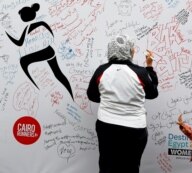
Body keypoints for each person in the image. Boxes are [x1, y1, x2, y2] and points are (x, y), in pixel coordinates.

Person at [87, 34, 158, 173]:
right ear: (129, 51)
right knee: (131, 167)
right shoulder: (141, 72)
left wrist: (111, 99)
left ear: (110, 50)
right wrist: (149, 67)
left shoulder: (101, 70)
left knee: (107, 166)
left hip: (107, 126)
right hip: (135, 129)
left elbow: (92, 96)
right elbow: (153, 94)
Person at [5, 3, 74, 100]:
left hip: (41, 53)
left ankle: (37, 87)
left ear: (24, 17)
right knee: (58, 73)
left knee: (23, 61)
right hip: (50, 51)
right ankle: (71, 94)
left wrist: (7, 33)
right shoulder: (42, 23)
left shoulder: (27, 28)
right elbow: (52, 36)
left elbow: (19, 43)